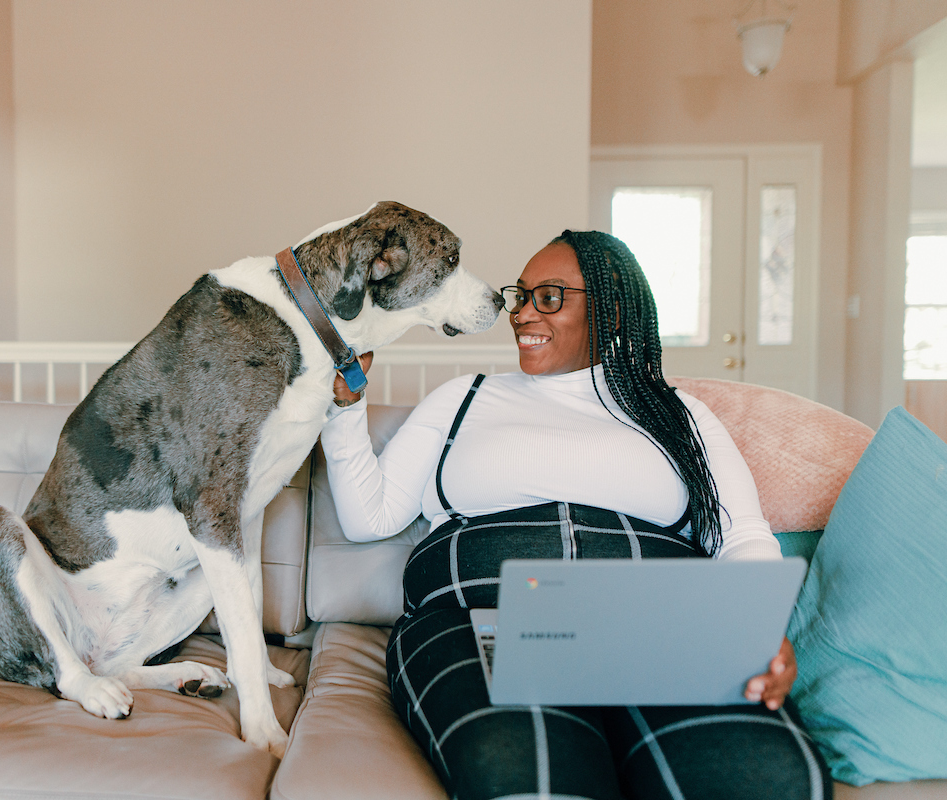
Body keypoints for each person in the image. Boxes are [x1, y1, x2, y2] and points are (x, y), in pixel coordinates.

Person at [321, 230, 831, 800]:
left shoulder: (678, 413)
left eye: (550, 297)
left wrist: (754, 628)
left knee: (770, 778)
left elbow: (740, 533)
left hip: (658, 627)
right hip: (486, 621)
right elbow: (371, 516)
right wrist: (346, 408)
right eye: (521, 296)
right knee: (534, 779)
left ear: (611, 308)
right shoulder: (465, 397)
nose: (522, 314)